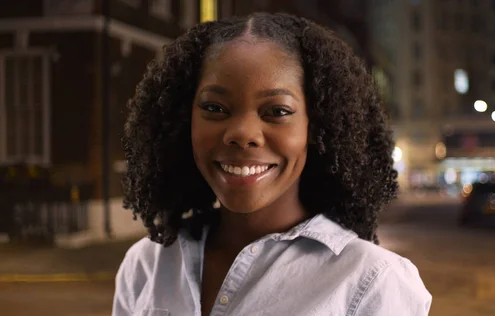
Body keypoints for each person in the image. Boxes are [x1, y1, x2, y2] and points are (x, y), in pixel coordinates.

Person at [113, 12, 431, 316]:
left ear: (318, 126)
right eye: (215, 107)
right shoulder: (145, 266)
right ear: (183, 120)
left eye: (277, 111)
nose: (242, 134)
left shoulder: (373, 281)